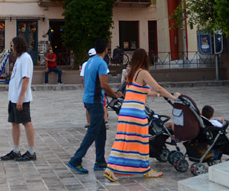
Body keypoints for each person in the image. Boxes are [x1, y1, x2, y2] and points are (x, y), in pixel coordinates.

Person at [104, 48, 179, 182]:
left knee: (123, 140)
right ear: (144, 59)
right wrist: (172, 97)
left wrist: (155, 94)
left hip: (125, 112)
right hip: (136, 113)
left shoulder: (130, 73)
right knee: (142, 140)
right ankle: (145, 170)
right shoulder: (143, 73)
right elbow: (158, 88)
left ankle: (111, 169)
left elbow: (135, 91)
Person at [67, 39, 121, 175]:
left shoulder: (89, 61)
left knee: (101, 131)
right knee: (92, 132)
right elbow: (103, 84)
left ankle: (100, 161)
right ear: (106, 50)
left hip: (87, 99)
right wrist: (115, 95)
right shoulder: (101, 64)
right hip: (96, 101)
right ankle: (76, 159)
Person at [0, 36, 36, 162]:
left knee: (26, 122)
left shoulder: (26, 58)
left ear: (17, 45)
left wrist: (21, 98)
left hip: (21, 98)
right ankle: (15, 150)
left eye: (12, 45)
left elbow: (26, 79)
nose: (11, 48)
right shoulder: (19, 58)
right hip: (13, 97)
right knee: (14, 123)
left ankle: (31, 151)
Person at [80, 48, 96, 127]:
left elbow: (82, 78)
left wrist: (85, 87)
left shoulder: (85, 64)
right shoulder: (98, 63)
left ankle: (89, 122)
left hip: (87, 89)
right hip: (96, 89)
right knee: (101, 106)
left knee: (87, 107)